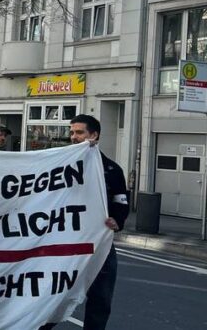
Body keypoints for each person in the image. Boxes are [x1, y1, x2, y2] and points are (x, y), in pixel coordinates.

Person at [41, 115, 129, 330]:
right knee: (52, 297)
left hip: (100, 244)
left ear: (94, 135)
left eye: (79, 132)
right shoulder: (58, 164)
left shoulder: (112, 169)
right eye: (72, 133)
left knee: (101, 299)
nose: (74, 137)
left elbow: (121, 200)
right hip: (64, 243)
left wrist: (118, 219)